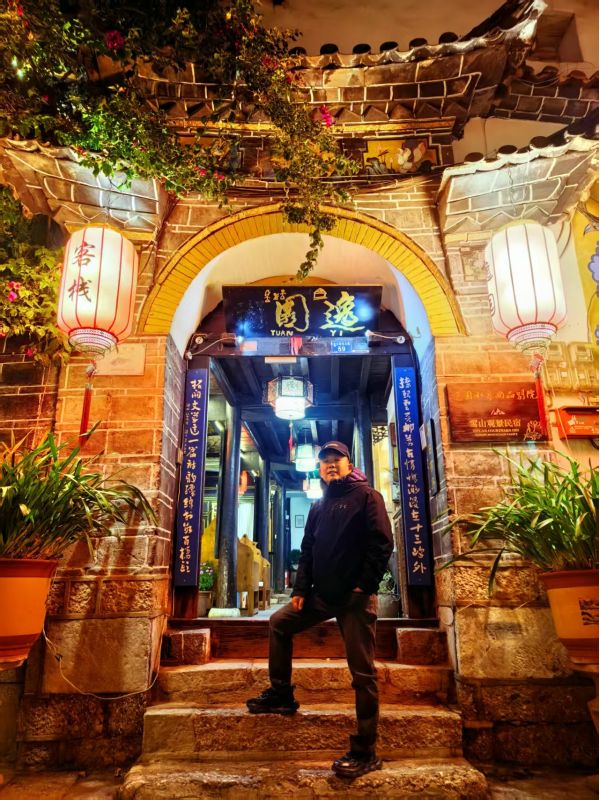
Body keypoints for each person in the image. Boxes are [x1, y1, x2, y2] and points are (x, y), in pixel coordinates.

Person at [246, 441, 394, 779]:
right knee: (279, 622)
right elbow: (308, 549)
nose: (330, 464)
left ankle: (365, 750)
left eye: (336, 459)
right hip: (322, 595)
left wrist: (364, 586)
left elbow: (381, 543)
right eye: (324, 460)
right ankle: (281, 694)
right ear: (320, 469)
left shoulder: (368, 497)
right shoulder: (319, 505)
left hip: (355, 600)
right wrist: (300, 589)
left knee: (363, 673)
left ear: (348, 464)